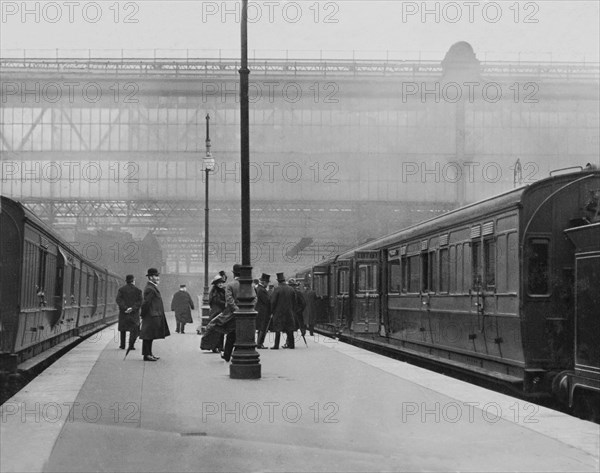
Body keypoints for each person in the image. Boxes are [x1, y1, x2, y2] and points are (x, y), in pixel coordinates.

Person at [139, 268, 171, 361]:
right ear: (151, 277)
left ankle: (149, 353)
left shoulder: (152, 287)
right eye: (156, 276)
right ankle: (147, 355)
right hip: (150, 315)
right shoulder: (150, 288)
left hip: (153, 315)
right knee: (148, 336)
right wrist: (143, 315)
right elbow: (146, 303)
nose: (158, 278)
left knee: (150, 336)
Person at [270, 272, 297, 349]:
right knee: (290, 329)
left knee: (277, 329)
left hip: (279, 313)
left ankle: (276, 345)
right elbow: (295, 301)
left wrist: (272, 311)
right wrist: (293, 310)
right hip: (289, 312)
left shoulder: (277, 289)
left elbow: (273, 302)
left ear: (278, 281)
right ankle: (291, 345)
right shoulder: (291, 289)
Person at [200, 275, 227, 353]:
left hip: (220, 312)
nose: (221, 284)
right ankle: (216, 347)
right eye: (219, 283)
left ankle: (220, 346)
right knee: (216, 331)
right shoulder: (215, 291)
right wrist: (226, 303)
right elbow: (217, 301)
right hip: (216, 312)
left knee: (220, 331)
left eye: (222, 283)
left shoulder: (221, 290)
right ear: (216, 284)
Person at [116, 274, 142, 351]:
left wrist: (125, 308)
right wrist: (132, 308)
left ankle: (122, 345)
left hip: (124, 312)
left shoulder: (121, 290)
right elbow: (140, 301)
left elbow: (118, 300)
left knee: (123, 329)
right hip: (134, 313)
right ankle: (131, 345)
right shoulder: (138, 290)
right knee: (133, 329)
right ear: (133, 281)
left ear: (126, 281)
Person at [255, 273, 271, 349]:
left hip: (260, 311)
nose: (267, 284)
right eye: (267, 283)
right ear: (264, 282)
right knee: (262, 328)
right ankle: (259, 343)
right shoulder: (262, 290)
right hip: (263, 311)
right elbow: (267, 301)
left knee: (261, 328)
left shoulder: (259, 288)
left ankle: (259, 343)